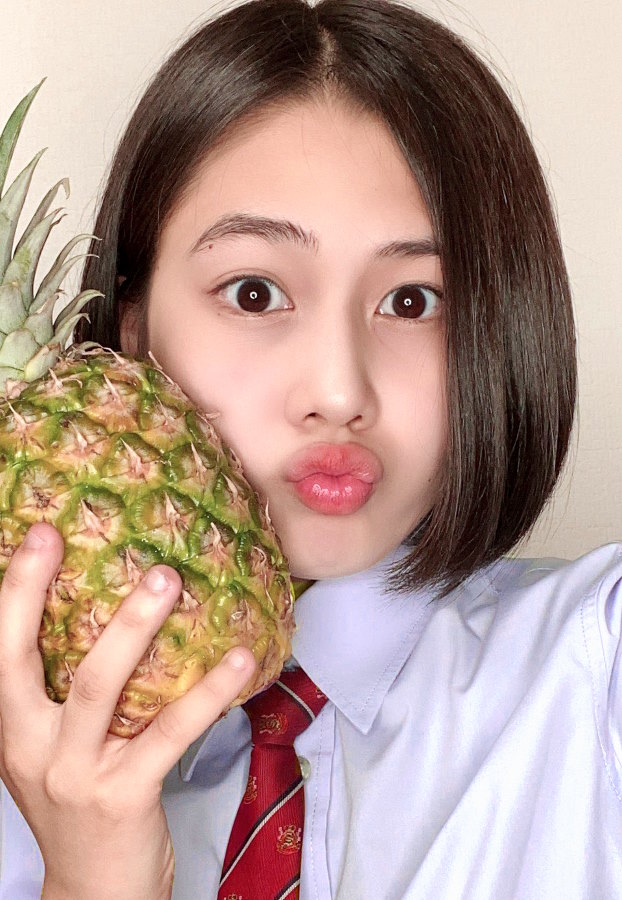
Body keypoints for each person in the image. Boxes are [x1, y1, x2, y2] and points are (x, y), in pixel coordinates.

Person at [0, 0, 620, 897]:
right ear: (132, 332)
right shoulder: (18, 778)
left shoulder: (597, 667)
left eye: (413, 301)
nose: (338, 392)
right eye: (254, 293)